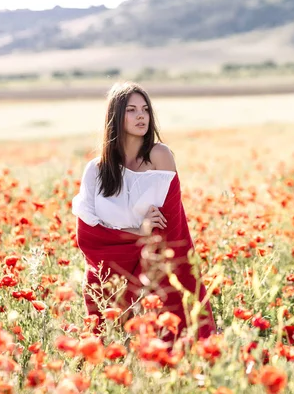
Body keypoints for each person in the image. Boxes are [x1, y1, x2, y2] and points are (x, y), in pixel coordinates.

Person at [71, 81, 216, 342]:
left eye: (145, 109)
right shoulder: (95, 169)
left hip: (155, 268)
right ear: (115, 117)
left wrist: (145, 270)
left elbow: (172, 226)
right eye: (131, 110)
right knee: (111, 355)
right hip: (106, 277)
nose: (141, 116)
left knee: (162, 344)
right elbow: (88, 236)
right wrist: (139, 232)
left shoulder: (160, 156)